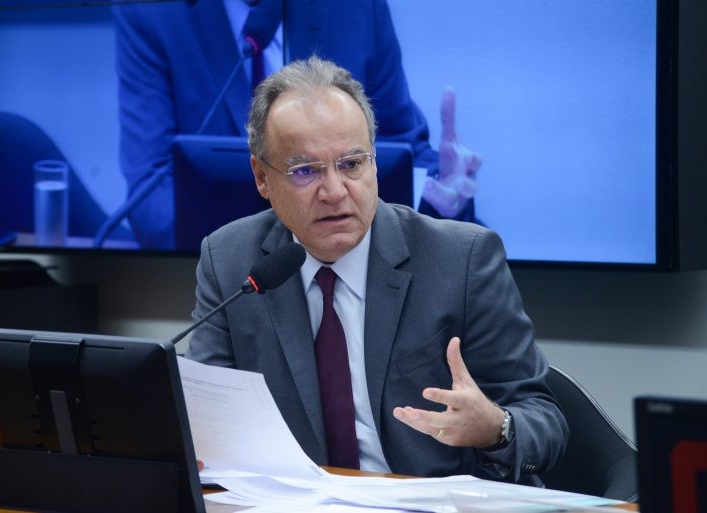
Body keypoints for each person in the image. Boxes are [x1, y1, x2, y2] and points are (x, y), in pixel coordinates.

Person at [186, 56, 567, 484]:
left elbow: (545, 422)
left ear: (374, 162)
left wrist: (495, 429)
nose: (334, 192)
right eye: (305, 171)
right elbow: (204, 412)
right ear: (261, 177)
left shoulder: (462, 259)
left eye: (351, 164)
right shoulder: (230, 260)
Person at [113, 0, 481, 249]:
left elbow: (404, 153)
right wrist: (289, 248)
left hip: (360, 279)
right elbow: (151, 199)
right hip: (224, 289)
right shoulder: (151, 13)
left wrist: (443, 193)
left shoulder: (355, 8)